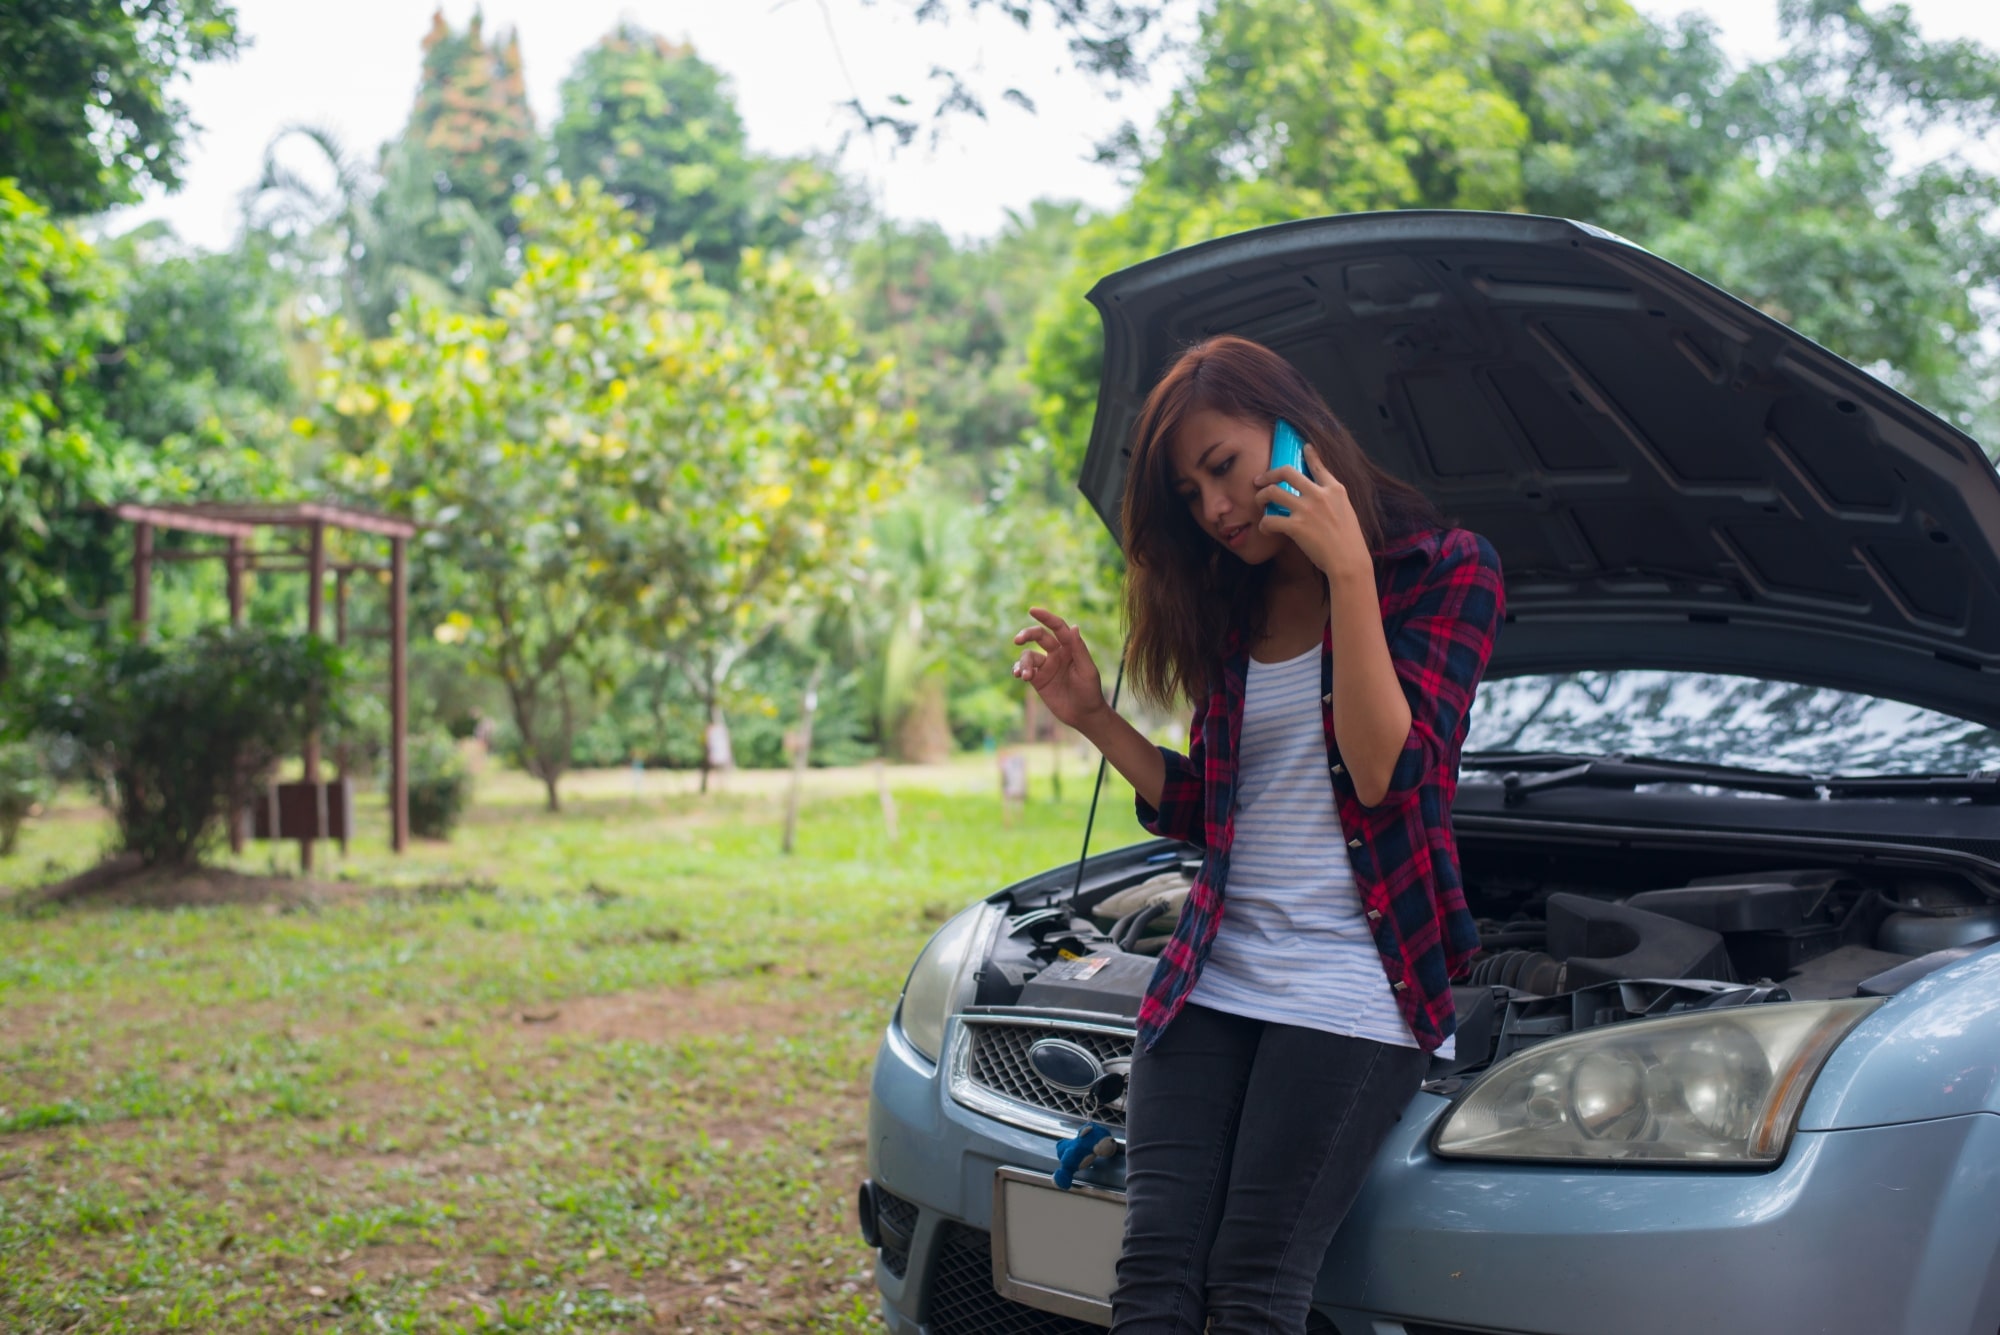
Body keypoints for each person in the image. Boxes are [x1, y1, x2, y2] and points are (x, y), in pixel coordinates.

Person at [1010, 335, 1503, 1334]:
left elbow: (1385, 774)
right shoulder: (1234, 605)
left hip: (1353, 985)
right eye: (1190, 493)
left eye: (1222, 467)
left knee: (1253, 1287)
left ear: (1293, 433)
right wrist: (1097, 720)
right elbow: (1213, 812)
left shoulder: (1447, 571)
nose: (1214, 508)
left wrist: (1347, 571)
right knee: (1151, 1276)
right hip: (1212, 974)